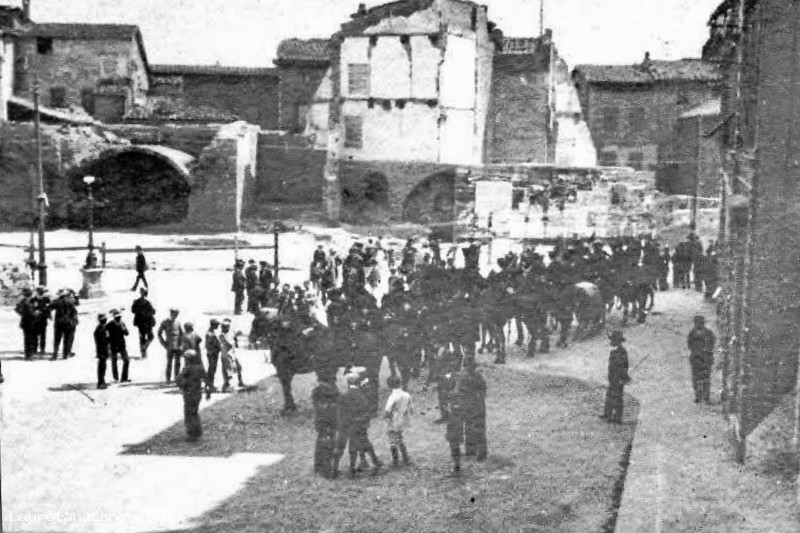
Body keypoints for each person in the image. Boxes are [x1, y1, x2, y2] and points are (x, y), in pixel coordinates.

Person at [459, 358, 487, 461]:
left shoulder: (465, 377)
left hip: (472, 408)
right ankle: (474, 452)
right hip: (474, 407)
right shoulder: (476, 376)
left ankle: (478, 453)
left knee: (473, 430)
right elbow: (483, 391)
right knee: (472, 430)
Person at [311, 375, 339, 478]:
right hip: (327, 422)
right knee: (328, 445)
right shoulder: (326, 391)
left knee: (321, 443)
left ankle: (318, 466)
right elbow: (326, 407)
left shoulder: (318, 391)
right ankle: (326, 470)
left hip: (324, 422)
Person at [176, 349, 206, 442]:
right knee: (195, 412)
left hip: (189, 393)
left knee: (189, 414)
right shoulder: (200, 367)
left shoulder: (187, 368)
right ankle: (197, 431)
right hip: (198, 393)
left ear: (187, 359)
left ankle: (192, 434)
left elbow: (178, 379)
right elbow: (206, 378)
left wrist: (183, 385)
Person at [601, 330, 630, 423]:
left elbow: (624, 366)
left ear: (617, 341)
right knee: (609, 396)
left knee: (617, 398)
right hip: (613, 378)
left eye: (612, 340)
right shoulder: (614, 351)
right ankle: (607, 415)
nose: (611, 342)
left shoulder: (622, 352)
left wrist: (623, 378)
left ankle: (617, 418)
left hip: (618, 379)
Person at [384, 375, 412, 467]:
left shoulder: (392, 397)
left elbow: (387, 410)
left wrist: (387, 419)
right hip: (403, 420)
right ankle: (406, 458)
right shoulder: (407, 395)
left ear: (389, 385)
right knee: (399, 439)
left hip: (394, 421)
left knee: (392, 441)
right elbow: (410, 408)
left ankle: (395, 461)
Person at [687, 315, 716, 403]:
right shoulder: (692, 333)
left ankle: (706, 396)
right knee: (696, 378)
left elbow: (712, 344)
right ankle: (698, 396)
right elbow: (690, 345)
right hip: (696, 358)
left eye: (700, 323)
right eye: (697, 323)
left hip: (706, 359)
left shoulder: (708, 333)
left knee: (705, 378)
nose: (698, 325)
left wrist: (706, 352)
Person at [157, 308, 184, 383]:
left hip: (177, 346)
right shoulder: (165, 322)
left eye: (176, 314)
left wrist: (181, 344)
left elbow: (181, 334)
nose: (175, 315)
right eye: (173, 313)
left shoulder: (178, 323)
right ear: (171, 314)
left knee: (177, 363)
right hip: (169, 345)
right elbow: (159, 333)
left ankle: (177, 378)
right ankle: (168, 378)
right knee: (169, 363)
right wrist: (163, 343)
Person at [51, 289, 79, 360]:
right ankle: (65, 354)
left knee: (57, 339)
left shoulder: (57, 301)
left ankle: (55, 354)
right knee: (67, 338)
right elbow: (74, 311)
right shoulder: (70, 300)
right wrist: (74, 321)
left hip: (58, 322)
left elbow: (50, 307)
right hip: (67, 322)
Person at [219, 318, 244, 392]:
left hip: (232, 353)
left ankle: (240, 382)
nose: (228, 328)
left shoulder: (230, 332)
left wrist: (237, 336)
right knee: (228, 370)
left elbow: (235, 339)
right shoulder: (222, 335)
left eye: (228, 327)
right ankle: (226, 385)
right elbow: (229, 344)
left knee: (238, 367)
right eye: (227, 327)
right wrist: (233, 343)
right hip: (226, 355)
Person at [106, 309, 131, 383]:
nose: (119, 318)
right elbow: (107, 336)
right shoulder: (109, 325)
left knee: (126, 360)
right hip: (113, 345)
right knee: (114, 362)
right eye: (117, 317)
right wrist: (108, 346)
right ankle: (116, 378)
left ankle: (124, 378)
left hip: (121, 345)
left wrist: (124, 328)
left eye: (119, 316)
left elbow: (127, 333)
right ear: (114, 317)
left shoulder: (122, 324)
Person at [131, 288, 156, 358]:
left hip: (142, 322)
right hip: (146, 322)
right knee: (149, 336)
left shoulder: (137, 302)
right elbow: (153, 312)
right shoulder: (147, 302)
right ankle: (144, 349)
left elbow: (133, 311)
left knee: (143, 337)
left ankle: (143, 351)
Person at [15, 288, 38, 359]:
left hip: (25, 322)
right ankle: (29, 355)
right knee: (30, 339)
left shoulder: (23, 301)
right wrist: (36, 313)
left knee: (27, 339)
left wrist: (23, 314)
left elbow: (17, 309)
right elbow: (31, 312)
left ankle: (28, 354)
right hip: (30, 322)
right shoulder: (27, 302)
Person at [32, 286, 51, 354]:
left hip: (43, 319)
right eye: (39, 291)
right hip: (35, 319)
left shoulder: (46, 299)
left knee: (43, 335)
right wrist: (34, 311)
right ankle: (34, 349)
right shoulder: (33, 299)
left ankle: (42, 349)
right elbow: (30, 308)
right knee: (35, 335)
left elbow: (49, 308)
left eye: (42, 291)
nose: (41, 292)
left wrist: (42, 311)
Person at [94, 313, 110, 389]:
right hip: (102, 349)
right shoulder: (100, 329)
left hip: (103, 349)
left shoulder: (103, 328)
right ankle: (101, 382)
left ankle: (102, 381)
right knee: (102, 366)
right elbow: (103, 340)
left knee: (103, 365)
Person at [205, 319, 221, 393]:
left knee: (212, 369)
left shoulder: (212, 332)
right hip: (212, 354)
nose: (218, 326)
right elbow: (209, 345)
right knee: (211, 370)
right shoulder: (210, 334)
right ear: (213, 325)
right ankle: (209, 385)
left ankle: (209, 385)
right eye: (217, 324)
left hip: (213, 353)